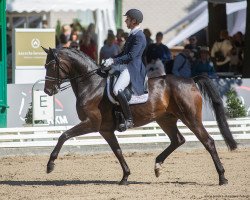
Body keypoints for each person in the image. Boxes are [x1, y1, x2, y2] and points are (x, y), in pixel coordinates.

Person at [102, 8, 146, 130]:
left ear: (134, 21)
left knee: (117, 89)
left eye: (127, 19)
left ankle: (129, 119)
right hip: (124, 65)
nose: (125, 20)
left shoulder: (139, 36)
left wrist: (114, 61)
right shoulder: (132, 34)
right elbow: (123, 53)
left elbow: (131, 56)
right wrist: (110, 60)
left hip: (132, 68)